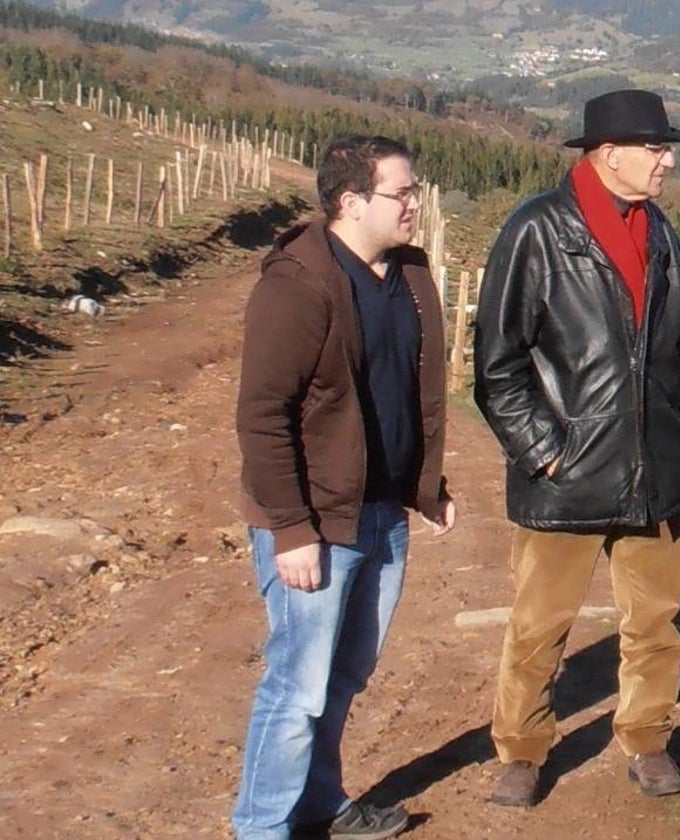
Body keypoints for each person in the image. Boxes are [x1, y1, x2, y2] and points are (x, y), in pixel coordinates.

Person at [473, 89, 680, 807]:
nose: (668, 160)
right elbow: (496, 366)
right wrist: (546, 453)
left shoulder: (660, 231)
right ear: (610, 156)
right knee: (540, 626)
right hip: (566, 472)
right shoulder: (536, 231)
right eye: (657, 148)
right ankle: (522, 750)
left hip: (651, 469)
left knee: (656, 622)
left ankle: (646, 739)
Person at [233, 135, 455, 840]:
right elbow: (263, 416)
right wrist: (291, 531)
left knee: (345, 675)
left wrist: (426, 484)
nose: (415, 204)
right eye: (402, 192)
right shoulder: (296, 283)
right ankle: (262, 826)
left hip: (383, 512)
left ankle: (319, 803)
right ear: (350, 201)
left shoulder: (409, 274)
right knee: (297, 688)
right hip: (316, 521)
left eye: (414, 190)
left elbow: (398, 390)